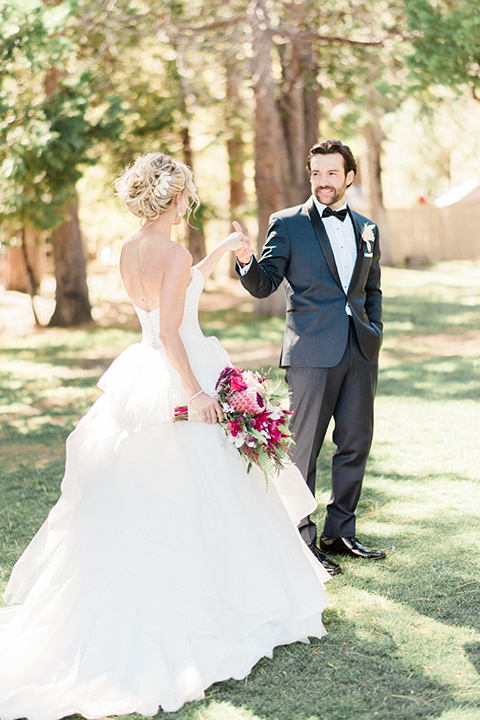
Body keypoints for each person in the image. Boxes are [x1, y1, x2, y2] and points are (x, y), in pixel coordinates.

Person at [0, 152, 330, 720]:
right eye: (187, 198)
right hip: (181, 372)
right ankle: (209, 599)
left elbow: (175, 294)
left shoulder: (133, 249)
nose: (188, 206)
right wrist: (195, 391)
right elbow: (175, 328)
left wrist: (223, 253)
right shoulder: (173, 252)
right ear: (175, 198)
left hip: (143, 368)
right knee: (204, 488)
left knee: (159, 489)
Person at [236, 139, 386, 577]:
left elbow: (371, 289)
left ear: (349, 177)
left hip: (359, 349)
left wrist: (373, 330)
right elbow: (265, 284)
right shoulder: (286, 224)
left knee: (355, 443)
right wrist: (247, 258)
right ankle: (300, 538)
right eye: (316, 173)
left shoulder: (366, 227)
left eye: (332, 173)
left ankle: (340, 532)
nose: (323, 181)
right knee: (303, 450)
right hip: (310, 354)